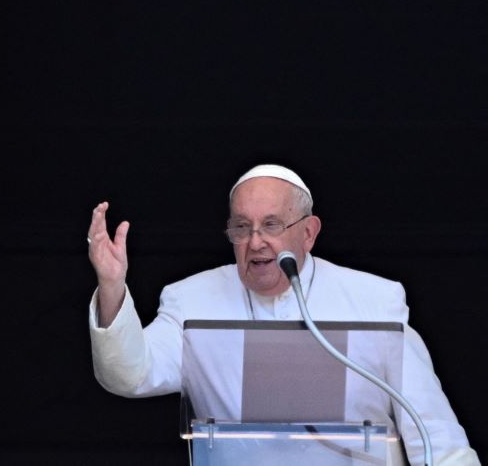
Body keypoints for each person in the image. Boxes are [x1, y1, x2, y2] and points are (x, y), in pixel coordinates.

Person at [87, 164, 480, 466]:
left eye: (271, 225)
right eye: (242, 227)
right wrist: (111, 286)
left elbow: (435, 433)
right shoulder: (192, 299)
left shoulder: (375, 300)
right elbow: (129, 375)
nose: (256, 241)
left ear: (308, 232)